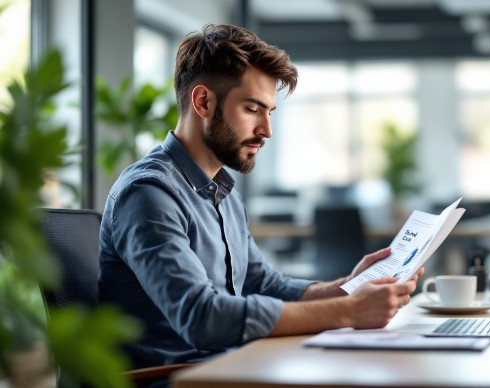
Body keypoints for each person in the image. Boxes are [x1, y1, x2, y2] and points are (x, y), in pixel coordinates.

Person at [98, 23, 423, 370]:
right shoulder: (149, 193)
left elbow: (263, 284)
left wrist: (349, 287)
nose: (266, 130)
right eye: (253, 109)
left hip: (227, 366)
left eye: (269, 113)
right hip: (171, 377)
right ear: (203, 101)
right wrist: (348, 311)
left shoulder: (223, 193)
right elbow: (201, 317)